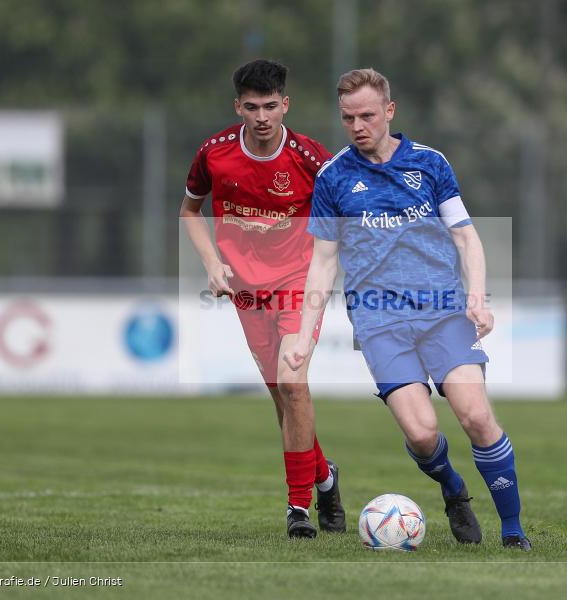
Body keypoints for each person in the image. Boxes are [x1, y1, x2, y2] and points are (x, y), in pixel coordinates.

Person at [284, 68, 531, 551]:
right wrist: (301, 332)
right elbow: (323, 263)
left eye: (368, 115)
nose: (357, 126)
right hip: (379, 321)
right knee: (422, 433)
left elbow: (465, 236)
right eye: (348, 117)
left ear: (390, 112)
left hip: (442, 312)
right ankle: (453, 489)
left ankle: (513, 530)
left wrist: (477, 298)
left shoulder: (430, 163)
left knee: (477, 417)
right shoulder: (334, 178)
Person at [179, 59, 345, 538]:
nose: (262, 116)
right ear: (238, 107)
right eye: (251, 107)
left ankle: (299, 510)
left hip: (299, 279)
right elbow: (190, 211)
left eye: (271, 106)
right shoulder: (214, 154)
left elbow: (344, 217)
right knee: (283, 398)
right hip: (247, 291)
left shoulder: (313, 158)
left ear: (285, 104)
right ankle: (325, 477)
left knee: (293, 384)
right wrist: (213, 263)